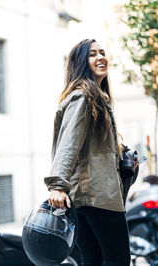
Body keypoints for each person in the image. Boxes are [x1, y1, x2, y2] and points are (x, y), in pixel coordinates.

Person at [44, 39, 137, 266]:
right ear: (81, 63)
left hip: (84, 197)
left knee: (93, 259)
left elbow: (90, 147)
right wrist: (57, 184)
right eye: (92, 54)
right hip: (98, 195)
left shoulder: (94, 98)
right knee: (118, 259)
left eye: (102, 53)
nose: (100, 58)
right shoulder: (84, 97)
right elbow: (69, 142)